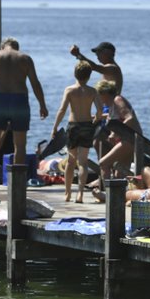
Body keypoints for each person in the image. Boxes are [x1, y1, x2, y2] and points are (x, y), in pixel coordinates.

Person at [0, 37, 49, 187]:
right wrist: (42, 104)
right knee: (20, 144)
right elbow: (35, 83)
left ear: (2, 47)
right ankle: (18, 181)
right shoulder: (25, 58)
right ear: (17, 47)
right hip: (19, 101)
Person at [50, 61, 101, 203]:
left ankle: (67, 193)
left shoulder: (70, 90)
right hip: (86, 126)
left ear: (75, 74)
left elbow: (62, 110)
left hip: (73, 126)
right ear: (89, 76)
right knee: (83, 162)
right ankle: (80, 194)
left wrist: (55, 127)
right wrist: (95, 120)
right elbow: (99, 109)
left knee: (71, 162)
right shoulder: (92, 91)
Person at [96, 79, 143, 182]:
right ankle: (119, 196)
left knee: (103, 163)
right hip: (125, 140)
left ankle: (108, 195)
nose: (99, 99)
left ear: (105, 93)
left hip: (130, 139)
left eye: (99, 95)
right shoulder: (112, 105)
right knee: (119, 173)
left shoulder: (117, 100)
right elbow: (114, 117)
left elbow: (129, 118)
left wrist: (115, 134)